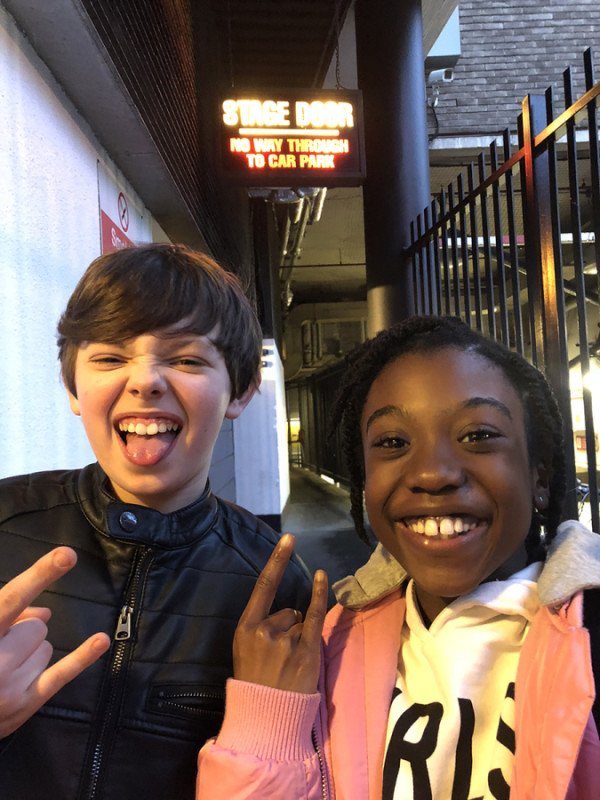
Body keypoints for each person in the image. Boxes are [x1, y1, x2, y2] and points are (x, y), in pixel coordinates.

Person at [197, 315, 600, 799]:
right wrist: (267, 717)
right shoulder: (328, 648)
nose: (432, 473)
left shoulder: (586, 641)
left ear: (540, 476)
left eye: (477, 435)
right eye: (392, 442)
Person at [0, 243, 312, 799]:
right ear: (73, 388)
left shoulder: (274, 583)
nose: (145, 380)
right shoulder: (6, 522)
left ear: (240, 391)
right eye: (110, 358)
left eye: (187, 360)